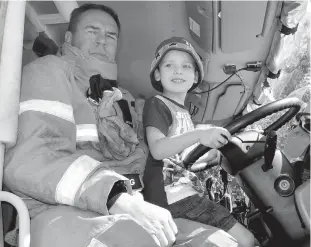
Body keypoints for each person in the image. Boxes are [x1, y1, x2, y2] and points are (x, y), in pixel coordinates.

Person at [4, 3, 242, 247]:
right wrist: (115, 195)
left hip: (132, 206)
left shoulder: (124, 98)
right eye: (92, 31)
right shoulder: (49, 72)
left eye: (110, 35)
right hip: (64, 211)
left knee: (223, 242)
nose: (102, 40)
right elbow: (32, 159)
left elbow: (154, 153)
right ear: (69, 37)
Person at [142, 37, 255, 247]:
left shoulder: (183, 112)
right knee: (246, 240)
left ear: (195, 76)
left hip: (184, 194)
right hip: (171, 197)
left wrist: (216, 152)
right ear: (157, 74)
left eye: (186, 66)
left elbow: (184, 157)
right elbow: (158, 150)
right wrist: (199, 134)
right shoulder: (157, 104)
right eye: (169, 65)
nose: (178, 71)